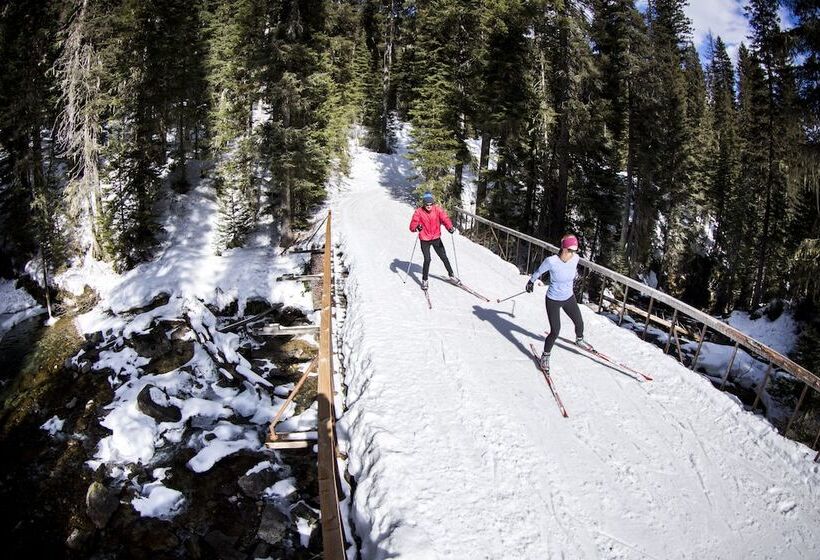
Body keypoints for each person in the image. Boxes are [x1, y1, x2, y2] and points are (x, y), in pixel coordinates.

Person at [526, 234, 594, 372]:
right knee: (555, 331)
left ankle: (579, 340)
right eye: (569, 250)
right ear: (563, 248)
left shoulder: (575, 259)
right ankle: (545, 356)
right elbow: (539, 271)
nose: (572, 253)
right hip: (553, 300)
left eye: (574, 250)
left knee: (579, 323)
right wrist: (531, 282)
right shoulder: (551, 261)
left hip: (569, 298)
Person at [409, 192, 459, 290]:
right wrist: (417, 228)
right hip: (424, 239)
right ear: (424, 204)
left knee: (444, 257)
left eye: (431, 204)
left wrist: (450, 227)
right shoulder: (418, 212)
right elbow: (412, 226)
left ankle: (452, 275)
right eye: (427, 204)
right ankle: (424, 280)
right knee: (427, 259)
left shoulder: (437, 210)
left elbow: (445, 219)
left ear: (433, 203)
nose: (429, 206)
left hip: (436, 238)